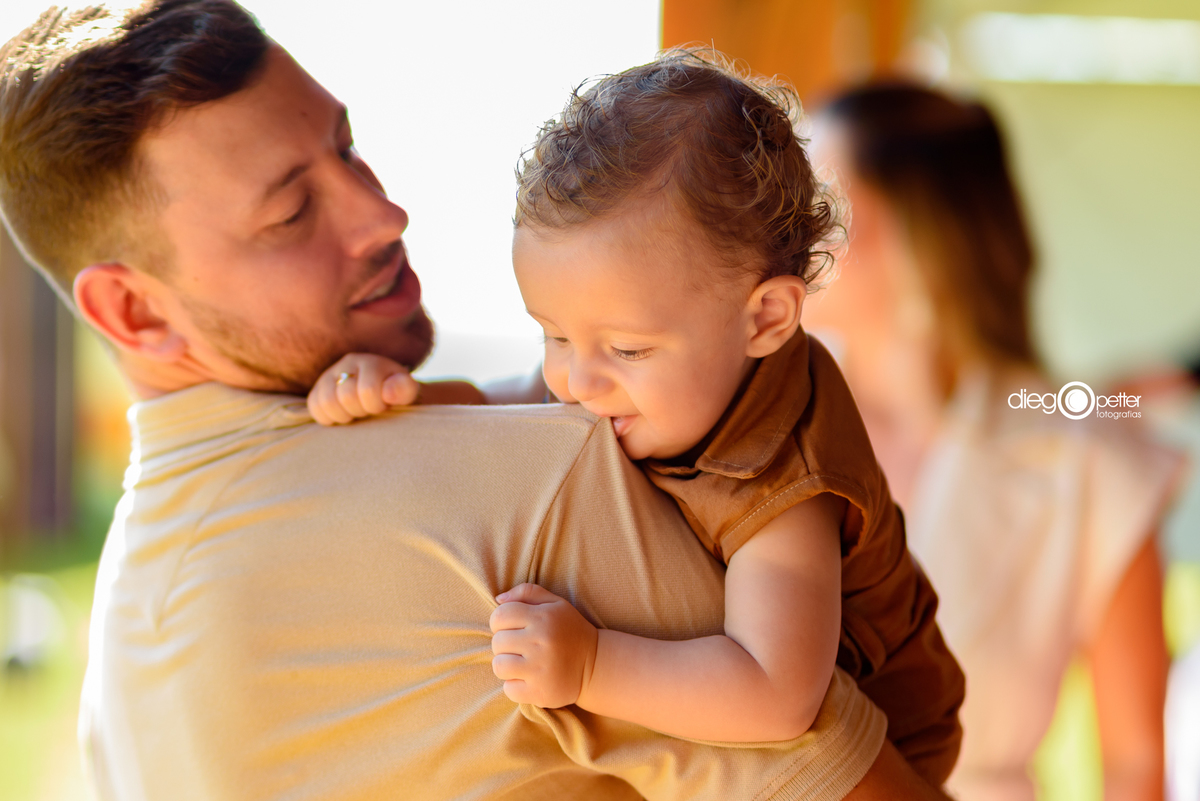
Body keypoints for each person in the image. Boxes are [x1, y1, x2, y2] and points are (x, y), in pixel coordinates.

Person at [0, 2, 954, 799]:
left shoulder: (124, 632)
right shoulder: (547, 480)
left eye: (349, 149)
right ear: (131, 309)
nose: (386, 214)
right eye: (291, 212)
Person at [309, 51, 965, 785]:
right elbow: (512, 405)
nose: (575, 380)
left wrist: (591, 663)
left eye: (627, 348)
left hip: (888, 751)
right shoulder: (626, 372)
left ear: (765, 319)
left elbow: (778, 694)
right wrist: (405, 396)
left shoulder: (787, 475)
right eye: (553, 334)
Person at [803, 83, 1180, 801]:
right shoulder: (752, 425)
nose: (788, 233)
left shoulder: (1092, 464)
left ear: (919, 232)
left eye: (824, 204)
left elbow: (1135, 764)